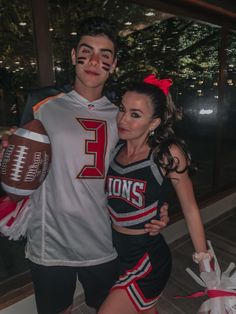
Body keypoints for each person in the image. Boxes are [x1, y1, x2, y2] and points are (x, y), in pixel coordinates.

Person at [0, 17, 169, 314]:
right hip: (49, 240)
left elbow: (142, 163)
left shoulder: (121, 113)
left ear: (114, 63)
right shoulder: (41, 102)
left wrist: (159, 207)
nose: (94, 60)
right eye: (86, 50)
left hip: (103, 241)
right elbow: (22, 153)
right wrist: (8, 144)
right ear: (73, 56)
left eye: (105, 55)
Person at [98, 74, 211, 314]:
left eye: (135, 114)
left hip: (147, 257)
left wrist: (204, 263)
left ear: (153, 123)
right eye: (122, 109)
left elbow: (190, 208)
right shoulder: (113, 147)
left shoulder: (166, 154)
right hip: (115, 251)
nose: (123, 119)